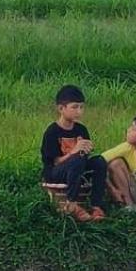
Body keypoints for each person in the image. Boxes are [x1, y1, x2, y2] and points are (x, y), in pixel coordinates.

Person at [41, 85, 108, 222]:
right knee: (76, 159)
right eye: (75, 107)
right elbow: (55, 162)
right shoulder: (52, 131)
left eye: (81, 107)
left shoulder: (81, 129)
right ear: (61, 109)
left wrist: (85, 150)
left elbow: (83, 157)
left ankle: (96, 205)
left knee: (99, 161)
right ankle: (72, 203)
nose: (79, 111)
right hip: (56, 171)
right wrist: (74, 151)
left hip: (76, 166)